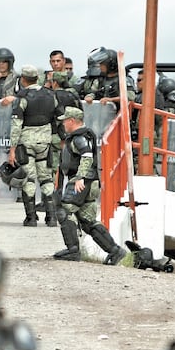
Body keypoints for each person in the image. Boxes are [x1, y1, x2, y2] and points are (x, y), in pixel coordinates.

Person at [52, 107, 127, 264]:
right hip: (88, 181)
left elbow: (86, 157)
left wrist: (80, 177)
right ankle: (115, 251)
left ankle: (73, 250)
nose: (63, 124)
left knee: (65, 210)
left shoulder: (79, 138)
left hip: (82, 181)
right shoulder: (79, 136)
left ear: (72, 121)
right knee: (87, 220)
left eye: (65, 120)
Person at [8, 64, 60, 227]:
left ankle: (31, 218)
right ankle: (51, 217)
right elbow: (60, 117)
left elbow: (16, 125)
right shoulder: (50, 95)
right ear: (37, 78)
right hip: (45, 141)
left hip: (26, 142)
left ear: (23, 79)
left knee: (28, 179)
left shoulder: (21, 97)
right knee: (46, 178)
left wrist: (12, 149)